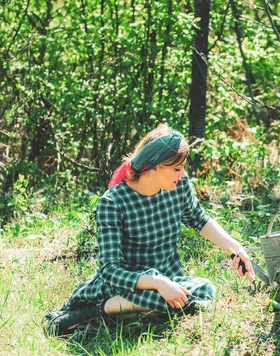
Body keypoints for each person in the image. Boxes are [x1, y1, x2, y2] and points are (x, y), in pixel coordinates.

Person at [45, 124, 254, 336]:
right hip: (126, 283)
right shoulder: (113, 202)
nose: (182, 175)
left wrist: (234, 248)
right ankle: (94, 311)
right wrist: (157, 283)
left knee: (205, 291)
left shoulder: (178, 187)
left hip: (168, 276)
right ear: (154, 167)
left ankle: (129, 311)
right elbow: (109, 270)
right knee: (188, 300)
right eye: (176, 168)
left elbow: (199, 220)